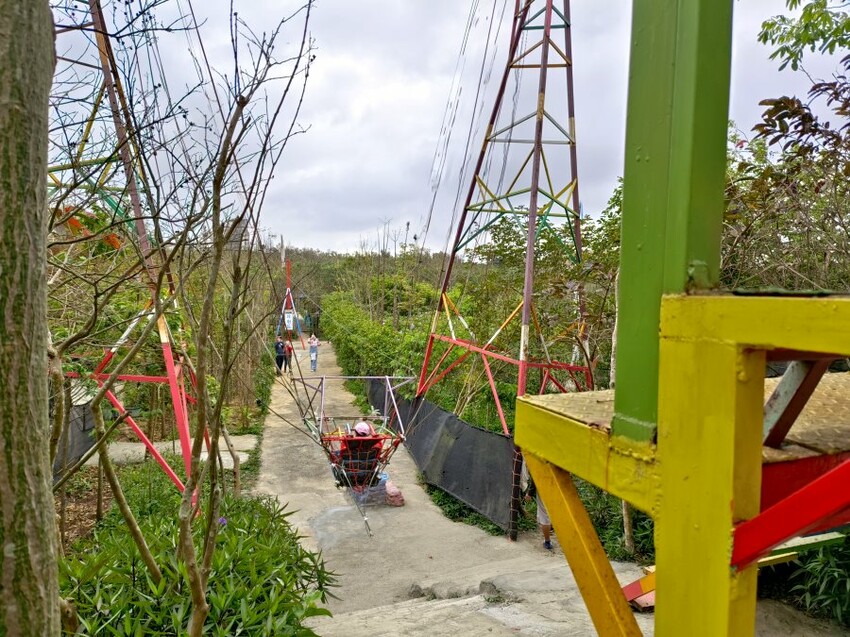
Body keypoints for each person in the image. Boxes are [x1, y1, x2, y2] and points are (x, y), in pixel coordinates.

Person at [523, 464, 553, 550]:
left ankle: (547, 542)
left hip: (543, 486)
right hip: (559, 487)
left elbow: (536, 476)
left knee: (544, 515)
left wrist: (530, 493)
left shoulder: (539, 459)